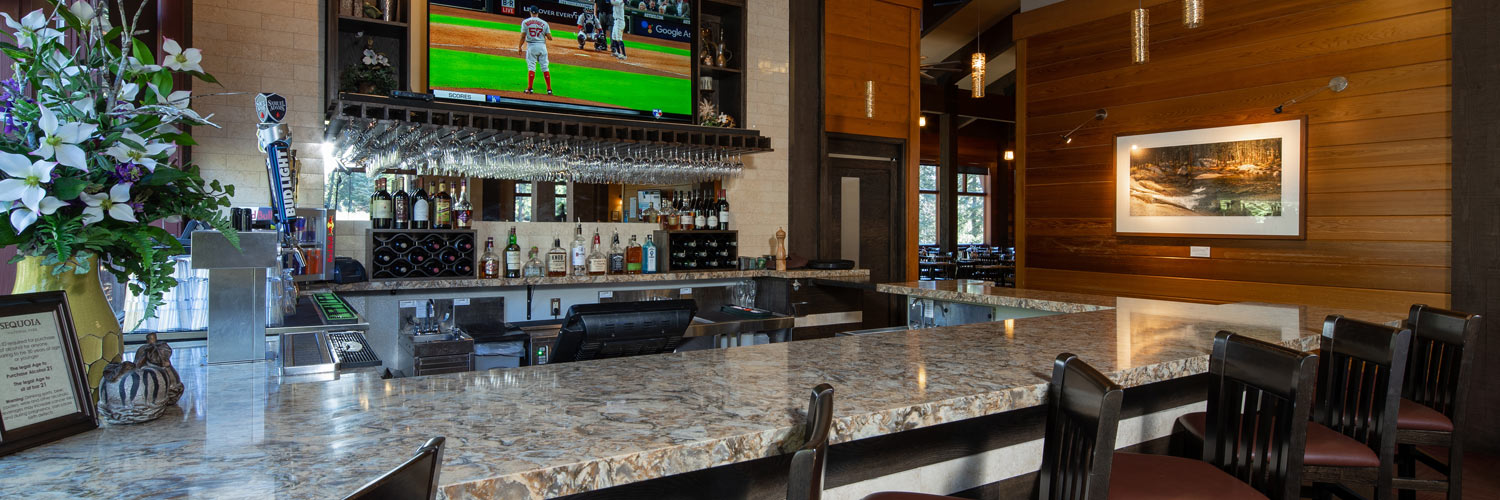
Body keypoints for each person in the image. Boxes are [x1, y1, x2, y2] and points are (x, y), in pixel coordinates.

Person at [518, 6, 553, 95]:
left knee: (531, 67)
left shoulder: (525, 22)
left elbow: (523, 36)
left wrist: (520, 47)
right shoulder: (544, 23)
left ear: (530, 12)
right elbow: (550, 38)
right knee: (545, 67)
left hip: (531, 46)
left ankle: (530, 88)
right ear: (538, 13)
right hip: (542, 47)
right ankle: (549, 89)